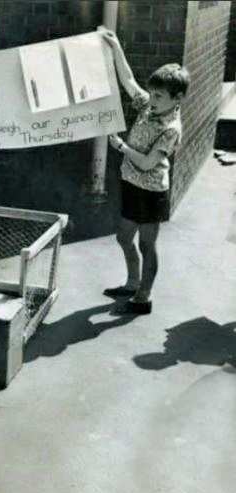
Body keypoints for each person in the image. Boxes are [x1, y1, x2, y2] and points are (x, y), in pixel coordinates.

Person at [101, 30, 189, 315]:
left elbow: (150, 163)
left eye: (159, 95)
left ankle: (144, 297)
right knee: (124, 237)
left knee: (147, 244)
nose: (152, 98)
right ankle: (132, 282)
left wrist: (122, 147)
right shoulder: (150, 107)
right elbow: (128, 81)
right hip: (131, 184)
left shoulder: (171, 128)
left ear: (177, 98)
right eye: (152, 92)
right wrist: (116, 46)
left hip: (152, 192)